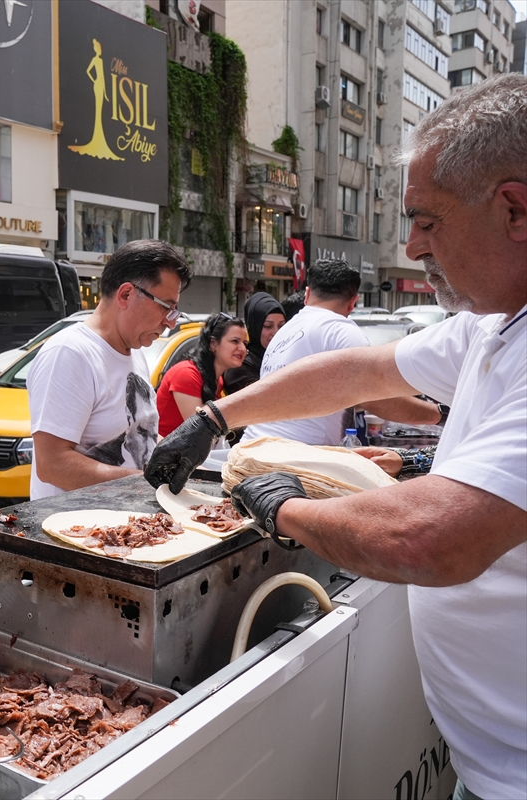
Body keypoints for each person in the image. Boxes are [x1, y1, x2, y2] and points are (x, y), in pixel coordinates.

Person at [145, 74, 527, 800]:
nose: (411, 245)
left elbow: (431, 539)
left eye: (427, 220)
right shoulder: (492, 324)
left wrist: (280, 507)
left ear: (514, 210)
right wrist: (215, 419)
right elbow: (351, 371)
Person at [28, 239, 191, 499]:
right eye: (166, 307)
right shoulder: (70, 353)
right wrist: (144, 484)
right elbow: (52, 465)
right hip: (77, 532)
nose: (169, 323)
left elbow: (139, 433)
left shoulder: (134, 351)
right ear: (126, 294)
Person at [240, 258, 441, 446]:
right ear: (354, 301)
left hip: (254, 446)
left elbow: (327, 394)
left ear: (308, 294)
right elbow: (374, 399)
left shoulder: (286, 331)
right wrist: (439, 415)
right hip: (296, 458)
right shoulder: (341, 331)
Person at [156, 313, 246, 437]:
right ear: (213, 344)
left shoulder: (217, 379)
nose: (242, 348)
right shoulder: (186, 374)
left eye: (244, 343)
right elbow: (200, 432)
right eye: (235, 341)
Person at [222, 292, 284, 394]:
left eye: (281, 326)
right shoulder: (239, 366)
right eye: (268, 326)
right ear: (255, 327)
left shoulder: (287, 356)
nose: (276, 332)